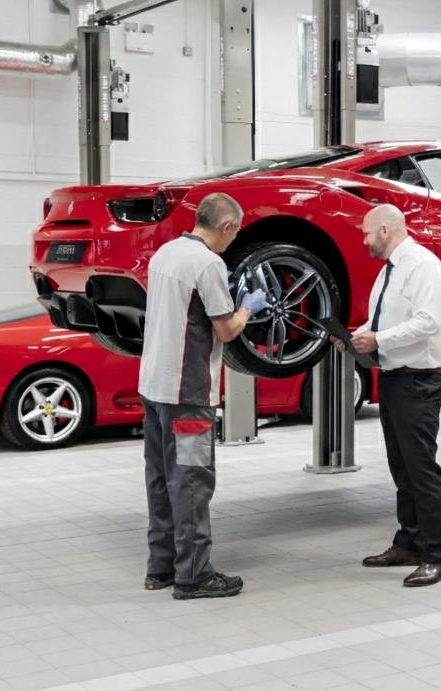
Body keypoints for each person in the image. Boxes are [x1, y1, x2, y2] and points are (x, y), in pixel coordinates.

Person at [138, 192, 270, 600]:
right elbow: (226, 330)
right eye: (236, 232)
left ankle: (160, 568)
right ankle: (193, 576)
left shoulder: (165, 253)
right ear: (226, 226)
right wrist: (248, 308)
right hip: (188, 392)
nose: (234, 239)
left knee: (161, 480)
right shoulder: (208, 263)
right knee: (192, 481)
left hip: (153, 388)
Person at [343, 203, 441, 587]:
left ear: (385, 230)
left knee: (422, 471)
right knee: (402, 470)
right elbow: (386, 322)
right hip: (394, 378)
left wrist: (379, 338)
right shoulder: (389, 270)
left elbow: (428, 322)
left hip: (419, 382)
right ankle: (409, 544)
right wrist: (359, 337)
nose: (365, 240)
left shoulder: (422, 265)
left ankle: (437, 556)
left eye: (367, 233)